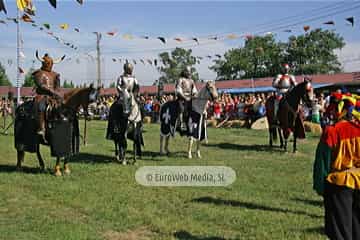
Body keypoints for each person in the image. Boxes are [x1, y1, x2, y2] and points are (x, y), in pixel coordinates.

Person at [313, 92, 360, 240]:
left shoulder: (332, 131)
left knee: (340, 231)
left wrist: (321, 187)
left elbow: (322, 163)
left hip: (339, 185)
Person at [33, 51, 65, 139]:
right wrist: (52, 91)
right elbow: (41, 85)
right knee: (41, 106)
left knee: (63, 105)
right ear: (44, 63)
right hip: (42, 95)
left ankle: (62, 125)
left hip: (53, 96)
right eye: (48, 63)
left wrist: (57, 93)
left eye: (51, 63)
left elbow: (57, 87)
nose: (50, 65)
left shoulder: (55, 74)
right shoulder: (38, 73)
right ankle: (41, 128)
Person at [175, 66, 198, 131]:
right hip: (181, 98)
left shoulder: (191, 81)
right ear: (184, 72)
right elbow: (178, 90)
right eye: (187, 71)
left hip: (190, 98)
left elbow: (194, 90)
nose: (188, 73)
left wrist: (195, 94)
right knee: (181, 108)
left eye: (189, 71)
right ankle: (181, 124)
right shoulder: (180, 79)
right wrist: (184, 97)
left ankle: (194, 123)